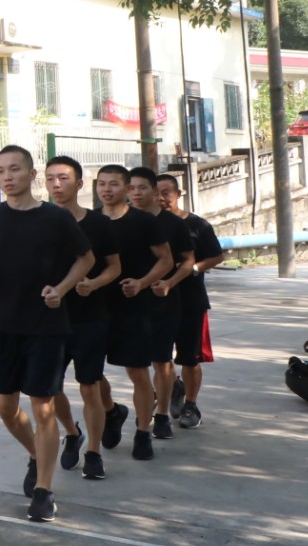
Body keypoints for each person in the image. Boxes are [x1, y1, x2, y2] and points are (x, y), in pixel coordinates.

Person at [0, 146, 94, 523]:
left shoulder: (55, 217)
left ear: (31, 174)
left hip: (46, 326)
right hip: (2, 324)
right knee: (5, 408)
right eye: (0, 171)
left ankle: (44, 491)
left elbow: (87, 259)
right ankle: (36, 454)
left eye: (14, 169)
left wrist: (62, 289)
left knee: (43, 407)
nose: (6, 177)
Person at [43, 156, 122, 481]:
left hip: (90, 317)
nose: (56, 184)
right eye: (50, 178)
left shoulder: (99, 224)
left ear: (78, 183)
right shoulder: (40, 220)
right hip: (48, 320)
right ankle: (72, 433)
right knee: (49, 389)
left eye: (63, 178)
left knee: (89, 386)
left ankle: (93, 453)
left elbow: (114, 267)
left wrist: (94, 283)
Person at [94, 164, 171, 460]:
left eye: (113, 184)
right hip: (95, 308)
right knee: (90, 374)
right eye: (101, 184)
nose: (106, 189)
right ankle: (112, 412)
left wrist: (142, 283)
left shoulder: (143, 221)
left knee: (137, 372)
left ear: (126, 188)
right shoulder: (90, 221)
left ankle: (143, 432)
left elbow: (165, 261)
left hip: (133, 307)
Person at [128, 167, 195, 443]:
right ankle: (145, 409)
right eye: (131, 188)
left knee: (161, 360)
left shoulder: (174, 224)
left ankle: (163, 414)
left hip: (162, 302)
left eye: (142, 187)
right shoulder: (121, 220)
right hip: (129, 303)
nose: (135, 193)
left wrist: (169, 282)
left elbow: (188, 261)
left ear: (155, 191)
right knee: (135, 365)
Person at [158, 173, 225, 429]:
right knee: (160, 358)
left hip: (191, 301)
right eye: (157, 192)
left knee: (189, 357)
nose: (162, 198)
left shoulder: (197, 225)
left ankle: (191, 404)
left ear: (178, 194)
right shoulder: (149, 225)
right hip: (159, 302)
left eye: (166, 192)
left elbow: (217, 256)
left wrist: (193, 268)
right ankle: (173, 388)